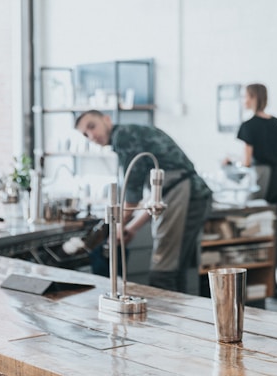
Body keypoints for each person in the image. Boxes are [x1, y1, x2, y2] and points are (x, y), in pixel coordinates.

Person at [75, 110, 213, 294]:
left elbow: (133, 195)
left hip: (185, 194)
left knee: (163, 273)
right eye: (85, 134)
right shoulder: (132, 134)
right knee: (174, 270)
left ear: (107, 120)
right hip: (190, 195)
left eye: (92, 126)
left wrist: (117, 227)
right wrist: (131, 227)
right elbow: (157, 198)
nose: (91, 136)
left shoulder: (123, 137)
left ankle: (167, 320)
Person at [236, 83, 277, 302]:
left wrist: (231, 162)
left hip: (261, 184)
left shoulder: (248, 126)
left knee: (256, 232)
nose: (243, 99)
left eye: (245, 96)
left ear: (254, 97)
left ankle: (261, 284)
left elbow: (246, 162)